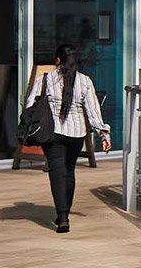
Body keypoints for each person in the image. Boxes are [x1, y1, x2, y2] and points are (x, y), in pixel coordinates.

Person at [27, 44, 110, 233]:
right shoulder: (85, 81)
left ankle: (63, 217)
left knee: (57, 173)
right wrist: (104, 134)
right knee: (69, 171)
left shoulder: (45, 79)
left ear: (57, 60)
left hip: (53, 133)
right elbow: (93, 112)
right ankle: (64, 211)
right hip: (77, 134)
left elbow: (30, 105)